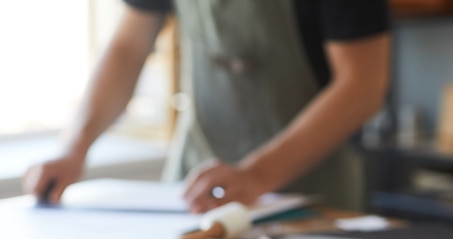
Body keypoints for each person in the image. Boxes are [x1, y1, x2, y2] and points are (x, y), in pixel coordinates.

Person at [23, 0, 391, 213]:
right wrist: (74, 148)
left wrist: (257, 176)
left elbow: (362, 85)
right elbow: (127, 48)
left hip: (309, 195)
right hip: (191, 187)